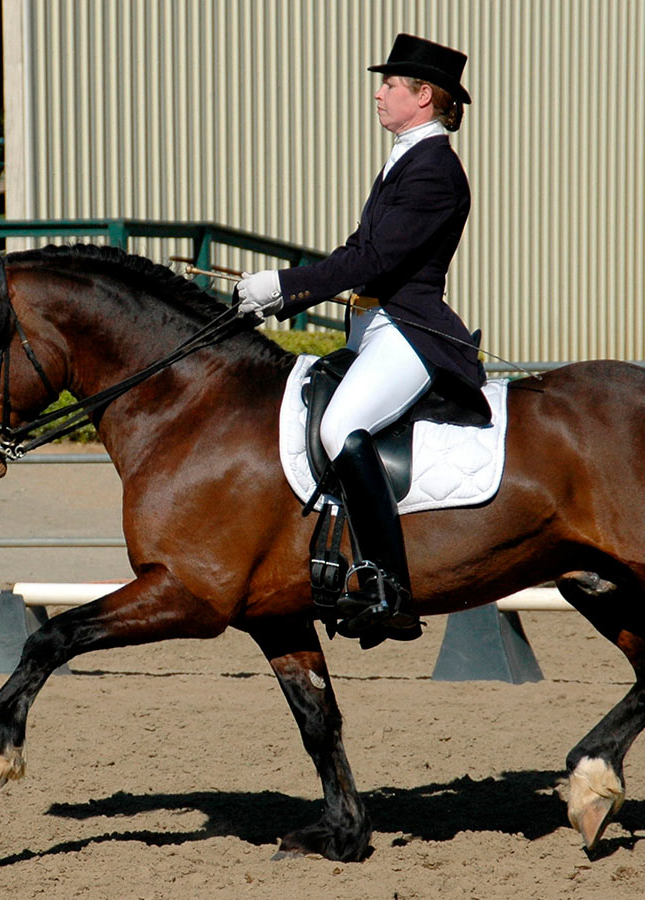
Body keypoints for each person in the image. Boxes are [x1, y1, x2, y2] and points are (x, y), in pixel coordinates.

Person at [237, 33, 489, 643]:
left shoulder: (433, 170)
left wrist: (283, 282)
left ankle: (390, 586)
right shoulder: (403, 159)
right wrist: (285, 296)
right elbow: (355, 252)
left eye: (391, 85)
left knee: (336, 426)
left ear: (424, 96)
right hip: (376, 326)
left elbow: (374, 261)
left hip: (411, 330)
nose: (379, 93)